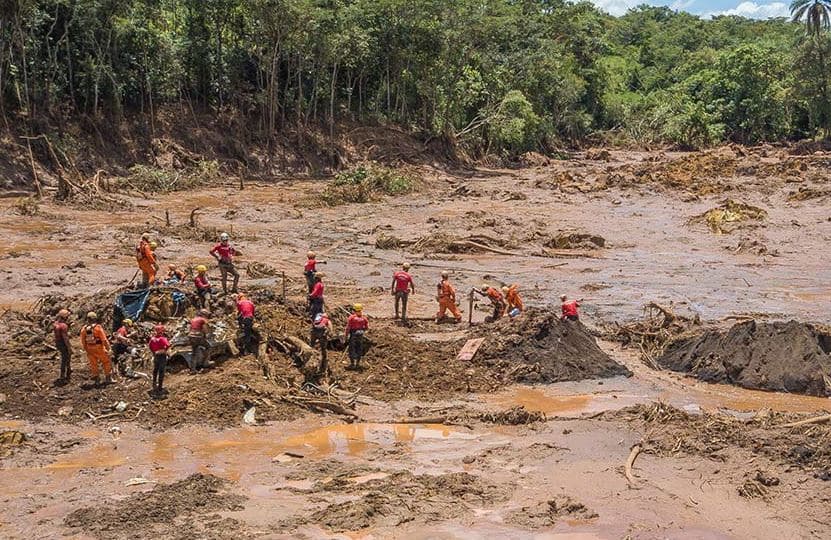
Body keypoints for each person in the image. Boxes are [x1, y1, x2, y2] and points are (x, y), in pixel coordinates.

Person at [80, 312, 112, 386]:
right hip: (99, 348)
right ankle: (108, 379)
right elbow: (104, 340)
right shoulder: (98, 328)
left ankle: (97, 380)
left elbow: (83, 341)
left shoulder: (84, 329)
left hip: (90, 348)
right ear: (95, 318)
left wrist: (86, 349)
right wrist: (109, 349)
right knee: (106, 362)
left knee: (94, 364)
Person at [345, 304, 369, 370]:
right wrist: (362, 330)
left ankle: (352, 364)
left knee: (351, 349)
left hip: (353, 334)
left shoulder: (351, 318)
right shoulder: (364, 318)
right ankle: (358, 363)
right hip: (360, 335)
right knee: (359, 348)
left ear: (354, 310)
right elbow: (366, 327)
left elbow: (348, 328)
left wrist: (346, 336)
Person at [148, 325, 170, 396]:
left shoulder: (152, 339)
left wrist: (154, 353)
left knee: (155, 370)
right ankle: (160, 388)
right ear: (162, 331)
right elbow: (168, 345)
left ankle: (154, 383)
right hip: (162, 356)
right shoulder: (162, 338)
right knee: (161, 372)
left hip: (156, 355)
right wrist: (165, 350)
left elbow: (150, 346)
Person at [54, 309, 72, 382]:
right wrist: (69, 347)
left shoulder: (56, 324)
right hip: (63, 343)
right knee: (65, 358)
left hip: (58, 342)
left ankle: (68, 369)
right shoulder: (64, 326)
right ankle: (63, 375)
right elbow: (65, 338)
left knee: (65, 357)